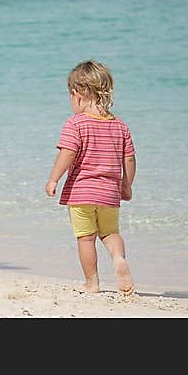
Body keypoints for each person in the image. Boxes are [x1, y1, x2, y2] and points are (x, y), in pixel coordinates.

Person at [45, 60, 137, 295]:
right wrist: (126, 185)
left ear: (77, 95)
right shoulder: (120, 126)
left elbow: (68, 152)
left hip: (81, 192)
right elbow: (129, 159)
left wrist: (54, 178)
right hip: (109, 193)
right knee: (110, 234)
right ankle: (118, 258)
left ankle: (92, 282)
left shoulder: (75, 123)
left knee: (86, 239)